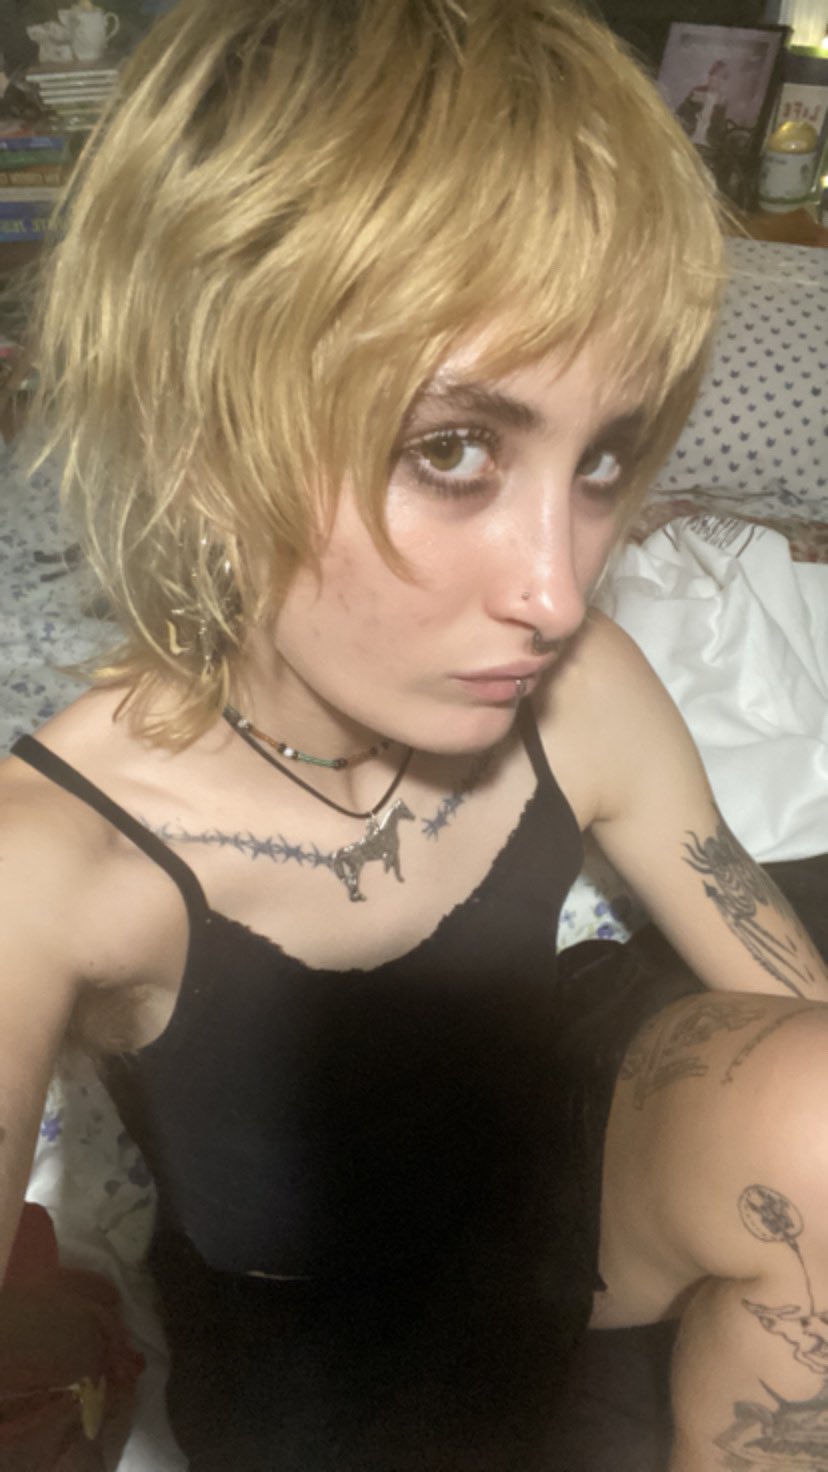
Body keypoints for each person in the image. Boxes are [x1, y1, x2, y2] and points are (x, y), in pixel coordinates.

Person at [2, 1, 827, 1468]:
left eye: (605, 458)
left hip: (571, 1207)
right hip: (329, 1372)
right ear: (199, 433)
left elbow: (790, 1004)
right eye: (453, 449)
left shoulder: (583, 689)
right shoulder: (52, 863)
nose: (556, 589)